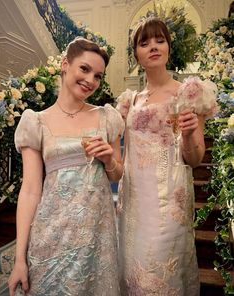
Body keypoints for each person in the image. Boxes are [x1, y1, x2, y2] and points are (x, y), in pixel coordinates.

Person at [8, 37, 124, 296]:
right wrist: (19, 259)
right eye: (84, 69)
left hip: (96, 234)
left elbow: (118, 174)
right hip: (51, 234)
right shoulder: (36, 122)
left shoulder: (107, 117)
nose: (91, 81)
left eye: (98, 76)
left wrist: (109, 160)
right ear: (64, 65)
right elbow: (29, 190)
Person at [116, 18, 218, 295]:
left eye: (159, 40)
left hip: (168, 199)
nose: (153, 47)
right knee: (133, 270)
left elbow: (196, 159)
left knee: (160, 272)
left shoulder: (188, 93)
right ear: (135, 53)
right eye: (144, 42)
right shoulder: (130, 100)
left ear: (169, 48)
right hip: (134, 199)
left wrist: (187, 134)